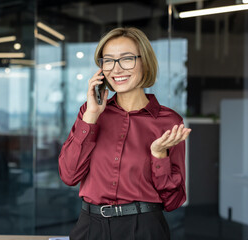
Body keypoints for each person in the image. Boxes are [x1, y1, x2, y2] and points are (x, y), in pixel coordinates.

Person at [58, 27, 192, 240]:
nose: (116, 69)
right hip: (90, 227)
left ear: (144, 62)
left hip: (144, 228)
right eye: (108, 60)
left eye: (127, 59)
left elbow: (173, 201)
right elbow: (69, 175)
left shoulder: (169, 122)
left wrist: (159, 156)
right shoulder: (90, 113)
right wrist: (91, 116)